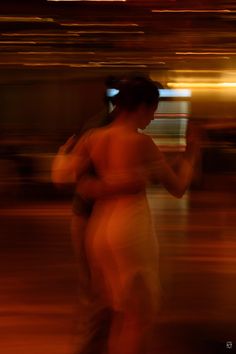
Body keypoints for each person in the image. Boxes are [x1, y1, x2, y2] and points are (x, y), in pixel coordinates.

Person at [52, 76, 199, 354]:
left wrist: (74, 165)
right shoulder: (141, 143)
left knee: (113, 309)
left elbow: (61, 176)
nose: (154, 117)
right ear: (141, 106)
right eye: (153, 110)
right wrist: (192, 151)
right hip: (129, 231)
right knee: (138, 317)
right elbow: (178, 187)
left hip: (98, 231)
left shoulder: (94, 137)